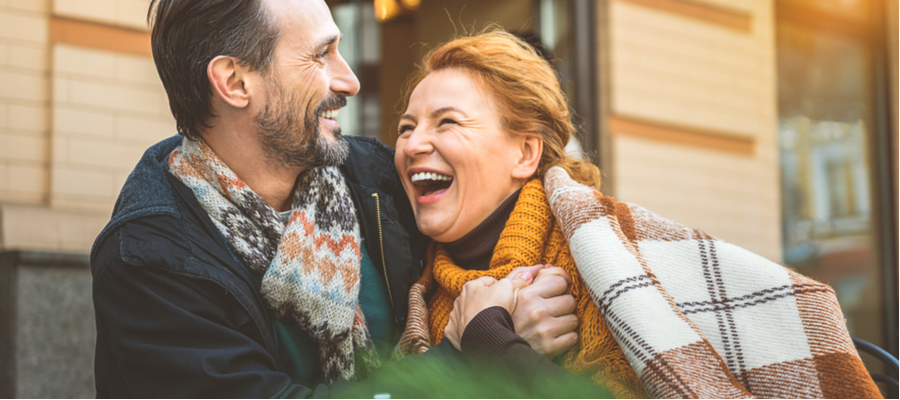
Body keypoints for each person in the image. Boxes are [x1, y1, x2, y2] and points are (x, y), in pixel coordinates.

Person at [89, 0, 591, 397]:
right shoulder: (150, 260)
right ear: (235, 81)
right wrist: (472, 354)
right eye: (319, 55)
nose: (348, 79)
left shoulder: (376, 178)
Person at [393, 29, 883, 399]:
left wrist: (488, 342)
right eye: (405, 127)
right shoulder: (413, 285)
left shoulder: (615, 262)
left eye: (448, 122)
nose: (414, 144)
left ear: (525, 153)